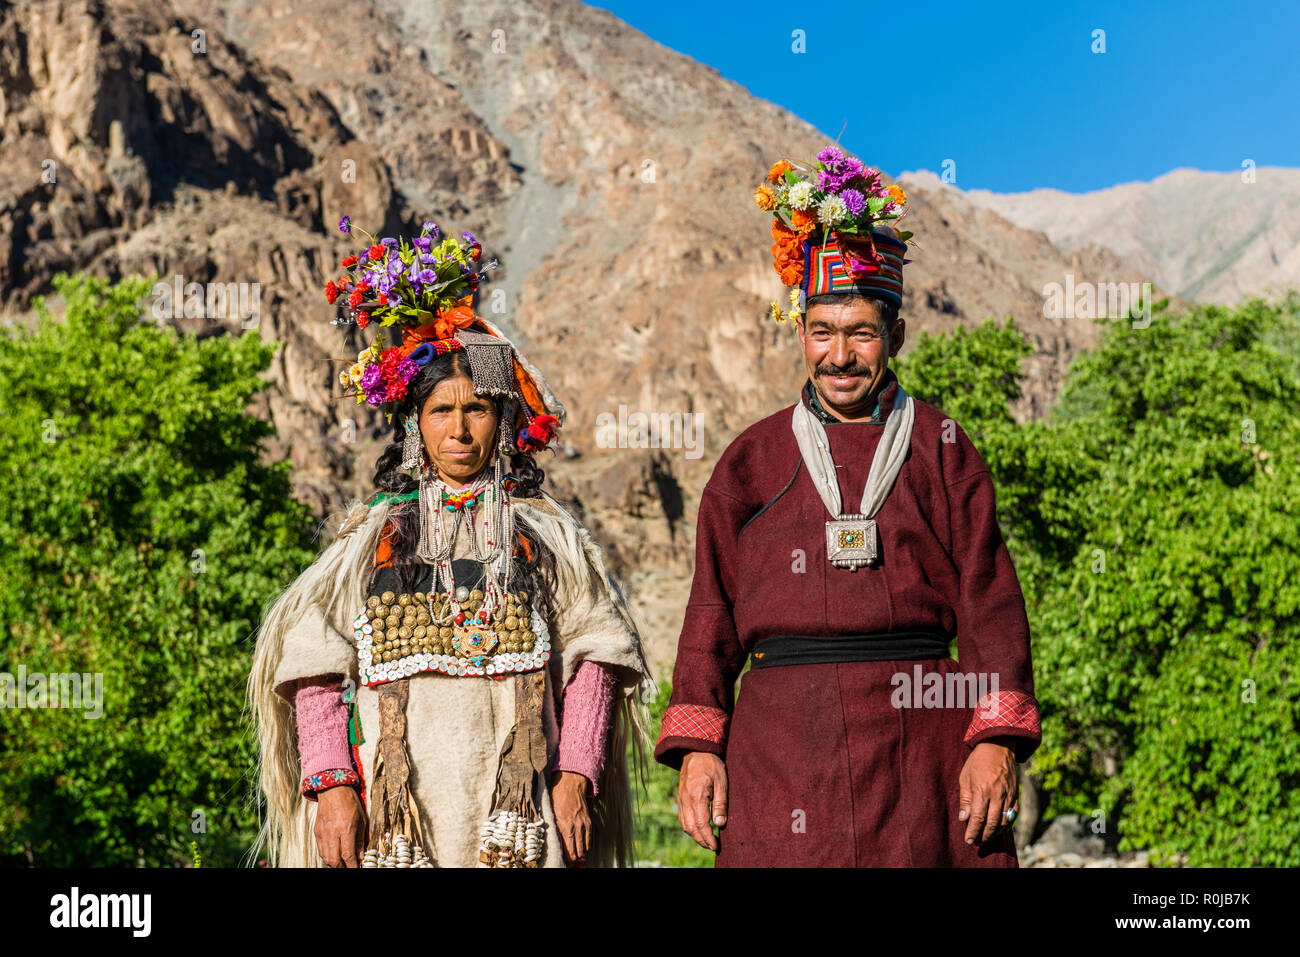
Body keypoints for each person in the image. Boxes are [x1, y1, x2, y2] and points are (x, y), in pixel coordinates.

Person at [654, 146, 1041, 867]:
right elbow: (710, 611)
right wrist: (701, 748)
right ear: (800, 334)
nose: (840, 356)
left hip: (923, 736)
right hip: (781, 746)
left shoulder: (943, 447)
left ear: (894, 335)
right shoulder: (751, 460)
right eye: (822, 333)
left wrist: (993, 740)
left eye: (861, 333)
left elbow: (990, 601)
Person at [250, 219, 653, 868]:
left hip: (518, 822)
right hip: (398, 821)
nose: (460, 429)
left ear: (502, 421)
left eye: (478, 409)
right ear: (417, 424)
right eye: (442, 410)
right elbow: (313, 661)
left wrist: (577, 776)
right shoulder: (370, 543)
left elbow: (598, 653)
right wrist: (332, 787)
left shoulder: (549, 541)